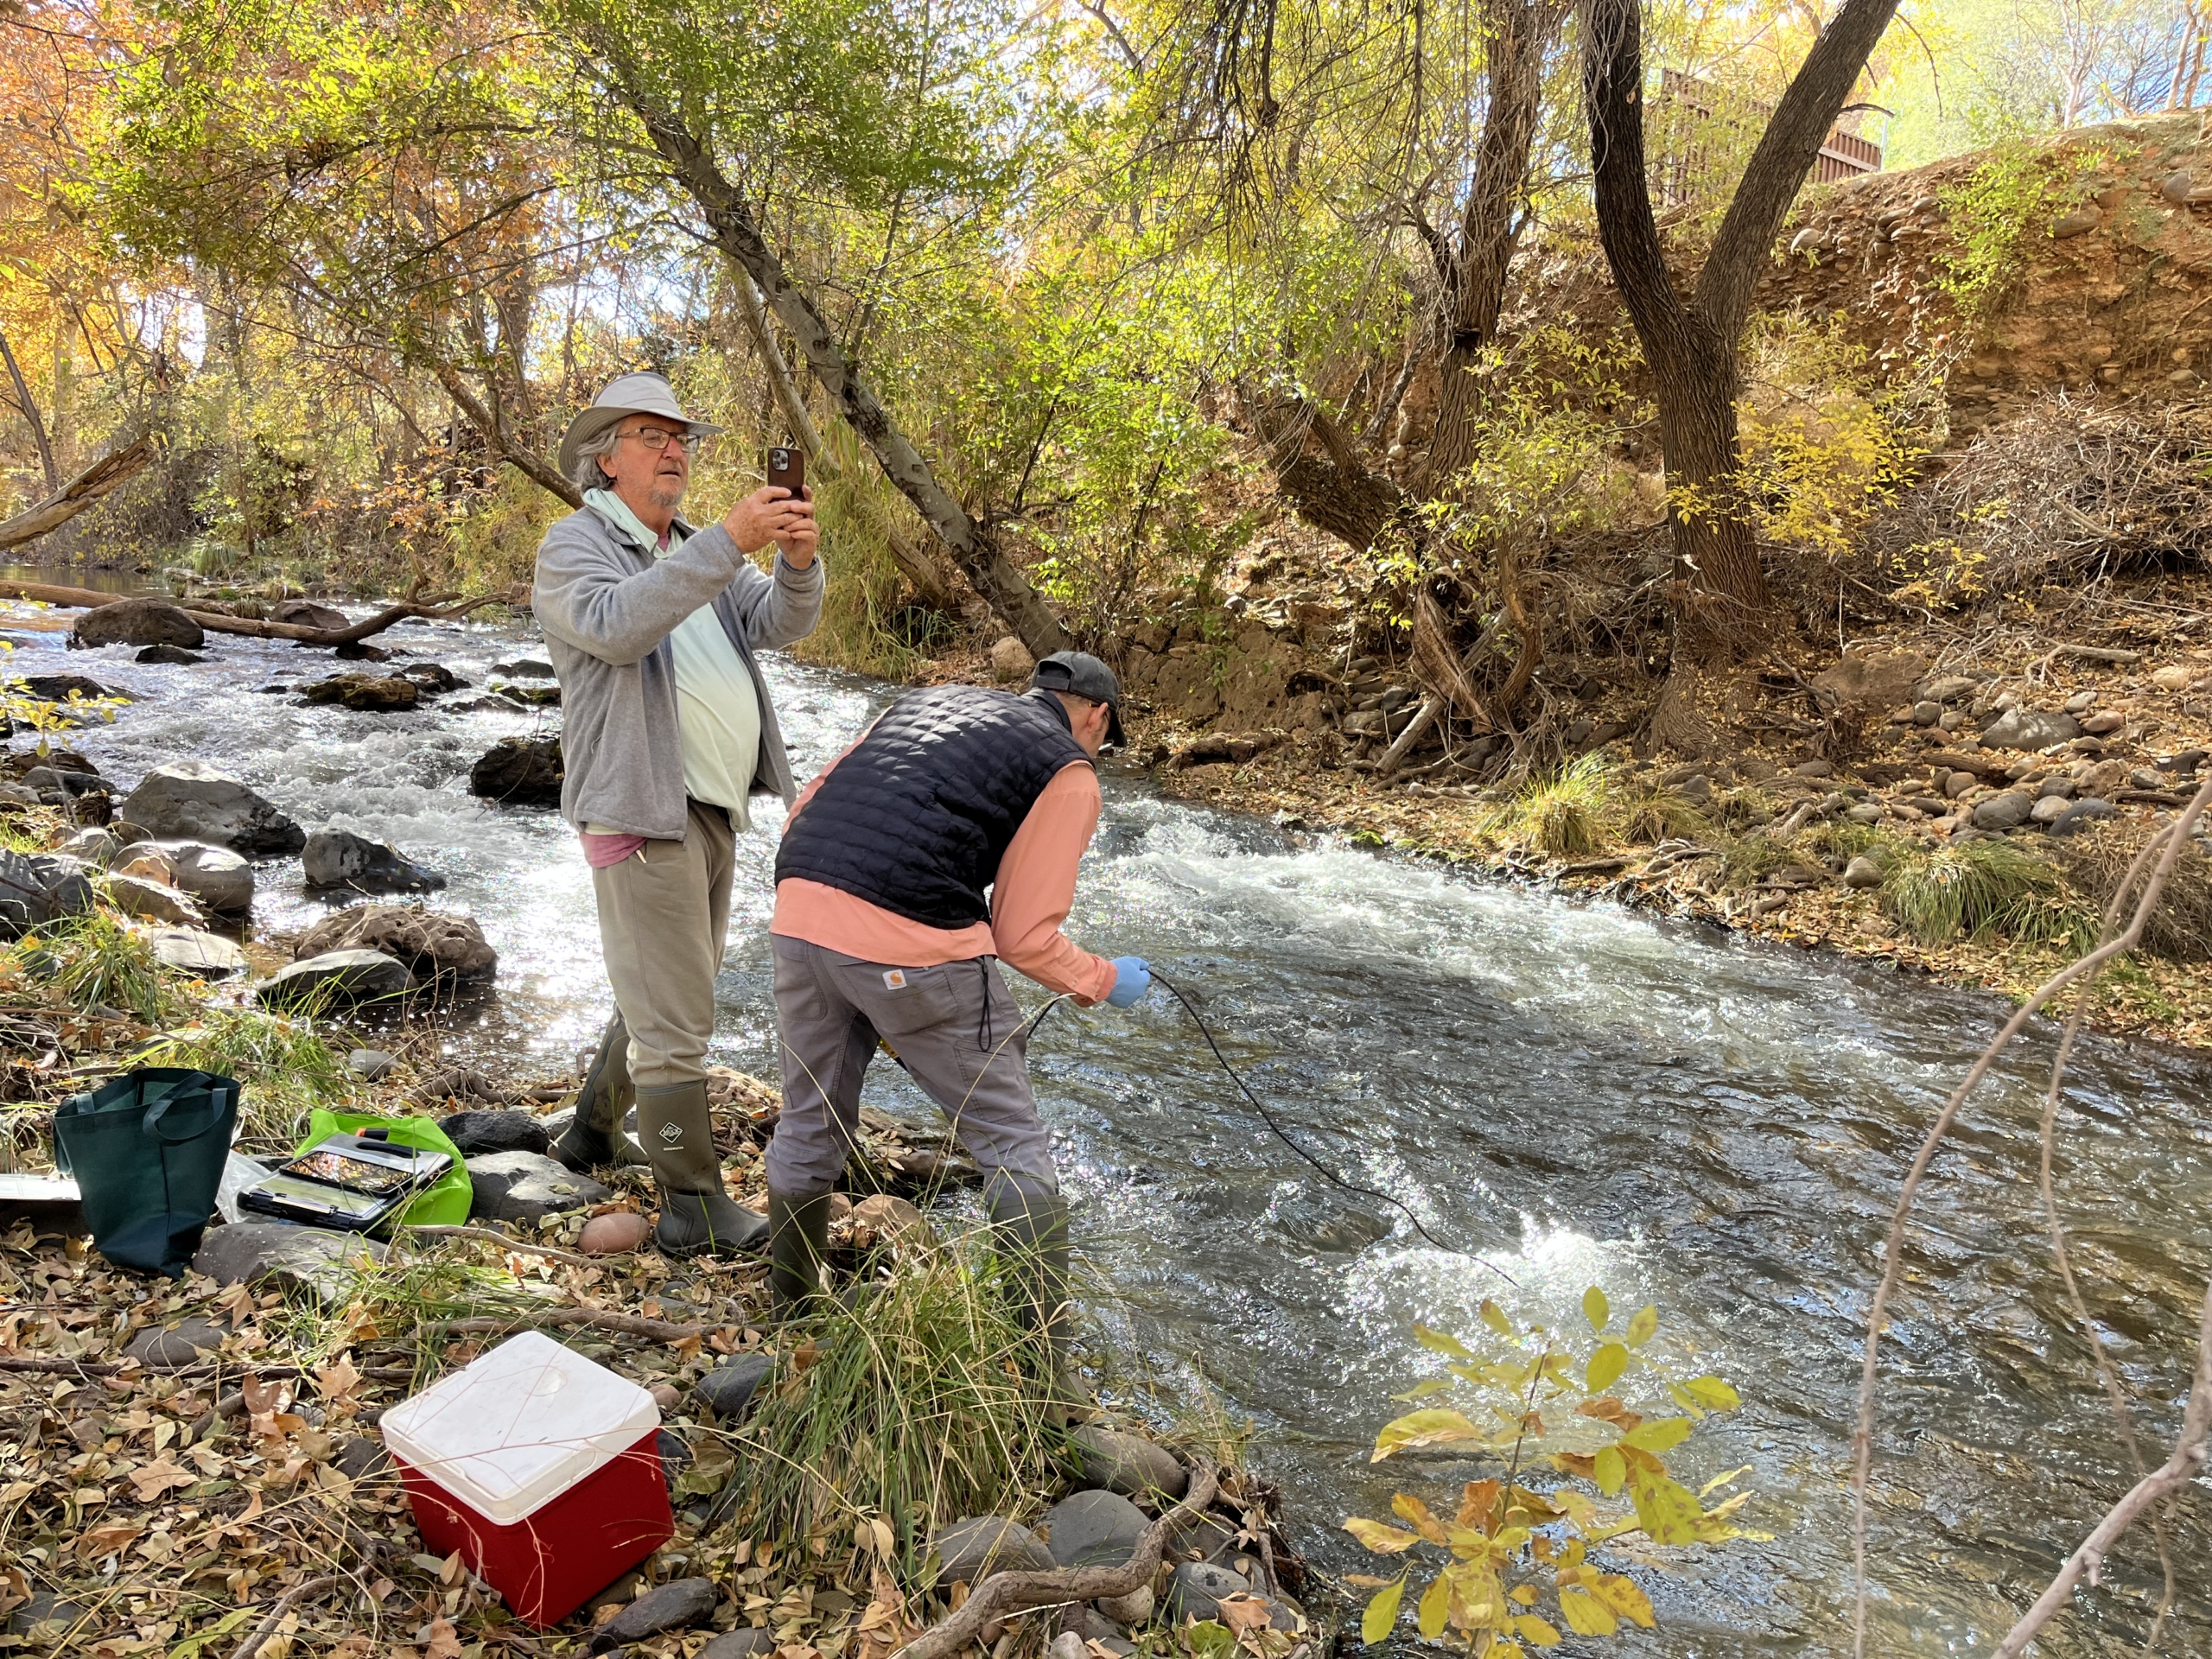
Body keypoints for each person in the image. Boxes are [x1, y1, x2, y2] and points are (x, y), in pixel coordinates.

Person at [761, 650, 1152, 1407]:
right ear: (1096, 715)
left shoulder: (922, 703)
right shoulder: (1067, 767)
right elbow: (1024, 935)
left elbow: (808, 808)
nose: (1099, 749)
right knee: (1012, 1144)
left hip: (799, 910)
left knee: (810, 1117)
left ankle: (795, 1309)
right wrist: (1102, 980)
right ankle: (1045, 1378)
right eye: (1105, 735)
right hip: (912, 943)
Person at [532, 372, 823, 1256]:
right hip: (637, 808)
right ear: (605, 456)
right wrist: (730, 541)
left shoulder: (694, 546)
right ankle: (691, 1203)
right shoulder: (574, 547)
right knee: (680, 1020)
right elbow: (619, 627)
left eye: (682, 439)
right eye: (652, 436)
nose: (673, 452)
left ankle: (588, 1132)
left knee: (664, 993)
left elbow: (779, 624)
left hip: (713, 808)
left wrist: (796, 561)